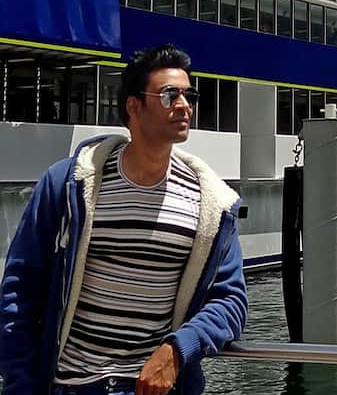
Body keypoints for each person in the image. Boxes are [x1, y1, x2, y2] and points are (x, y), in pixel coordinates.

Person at [0, 44, 247, 395]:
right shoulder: (69, 185)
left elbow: (231, 301)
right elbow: (20, 290)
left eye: (188, 95)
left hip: (153, 388)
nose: (184, 105)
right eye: (168, 95)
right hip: (70, 386)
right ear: (134, 106)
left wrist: (178, 349)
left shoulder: (211, 202)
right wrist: (21, 384)